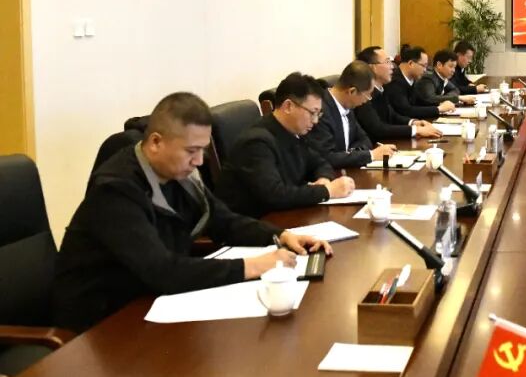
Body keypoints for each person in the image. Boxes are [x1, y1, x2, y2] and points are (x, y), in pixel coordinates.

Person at [53, 92, 332, 333]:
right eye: (191, 151)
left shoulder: (180, 173)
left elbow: (223, 221)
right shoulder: (116, 190)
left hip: (149, 301)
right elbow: (161, 270)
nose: (198, 161)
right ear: (156, 142)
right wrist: (256, 266)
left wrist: (281, 236)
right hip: (102, 321)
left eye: (203, 151)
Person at [216, 73, 355, 218]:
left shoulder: (295, 132)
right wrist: (327, 191)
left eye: (318, 114)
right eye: (312, 113)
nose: (315, 121)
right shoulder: (256, 143)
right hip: (255, 222)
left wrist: (324, 179)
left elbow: (321, 163)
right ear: (288, 106)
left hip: (285, 215)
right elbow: (275, 195)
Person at [304, 60, 396, 169]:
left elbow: (364, 139)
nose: (367, 100)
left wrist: (352, 153)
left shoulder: (347, 105)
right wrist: (371, 155)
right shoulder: (320, 111)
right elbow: (326, 157)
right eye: (367, 95)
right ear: (352, 91)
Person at [355, 46, 443, 141]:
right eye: (387, 62)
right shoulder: (362, 95)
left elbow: (392, 115)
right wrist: (416, 130)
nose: (392, 66)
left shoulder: (381, 89)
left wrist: (413, 122)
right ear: (371, 68)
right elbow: (378, 129)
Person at [384, 45, 455, 120]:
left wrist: (440, 104)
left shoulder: (412, 79)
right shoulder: (394, 81)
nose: (425, 70)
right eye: (423, 66)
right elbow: (406, 111)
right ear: (411, 63)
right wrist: (438, 109)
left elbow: (420, 101)